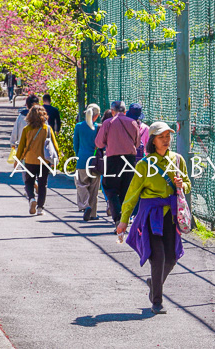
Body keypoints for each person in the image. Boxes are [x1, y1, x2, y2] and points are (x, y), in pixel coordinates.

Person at [115, 122, 191, 314]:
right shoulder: (144, 165)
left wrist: (182, 185)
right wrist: (124, 220)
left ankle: (153, 283)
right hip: (151, 216)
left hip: (171, 217)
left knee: (172, 258)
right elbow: (132, 194)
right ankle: (157, 301)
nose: (166, 140)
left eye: (168, 136)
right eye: (161, 137)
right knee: (158, 257)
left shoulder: (178, 160)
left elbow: (188, 185)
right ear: (153, 141)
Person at [95, 100, 143, 226]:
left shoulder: (108, 123)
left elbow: (99, 143)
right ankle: (124, 218)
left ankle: (118, 218)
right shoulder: (133, 123)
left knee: (110, 189)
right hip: (130, 159)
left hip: (113, 160)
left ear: (112, 111)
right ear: (125, 111)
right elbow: (137, 144)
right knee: (125, 189)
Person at [15, 105, 59, 216]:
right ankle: (40, 208)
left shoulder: (27, 129)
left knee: (29, 182)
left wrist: (18, 159)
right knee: (43, 184)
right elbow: (55, 146)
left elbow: (21, 146)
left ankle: (31, 199)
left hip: (30, 160)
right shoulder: (47, 129)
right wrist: (55, 159)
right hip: (44, 161)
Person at [74, 103, 101, 221]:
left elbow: (76, 144)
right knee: (94, 189)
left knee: (81, 184)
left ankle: (85, 206)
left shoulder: (79, 126)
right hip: (95, 161)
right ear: (97, 116)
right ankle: (93, 213)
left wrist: (78, 155)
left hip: (82, 160)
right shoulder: (98, 128)